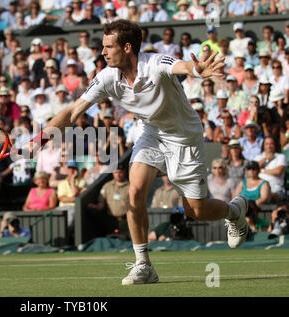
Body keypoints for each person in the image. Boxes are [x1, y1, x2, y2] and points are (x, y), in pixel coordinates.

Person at [39, 20, 250, 285]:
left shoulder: (155, 62)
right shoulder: (107, 76)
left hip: (183, 137)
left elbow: (182, 66)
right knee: (135, 192)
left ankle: (234, 212)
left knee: (196, 211)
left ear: (127, 47)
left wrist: (197, 69)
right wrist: (38, 140)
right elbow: (72, 112)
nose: (102, 52)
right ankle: (144, 265)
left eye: (108, 46)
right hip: (151, 133)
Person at [254, 136, 287, 202]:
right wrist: (265, 159)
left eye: (271, 144)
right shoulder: (258, 157)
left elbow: (278, 171)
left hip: (275, 187)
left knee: (267, 195)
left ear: (275, 145)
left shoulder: (281, 157)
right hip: (258, 186)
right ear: (263, 146)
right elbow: (253, 170)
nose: (269, 146)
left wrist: (262, 170)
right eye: (267, 144)